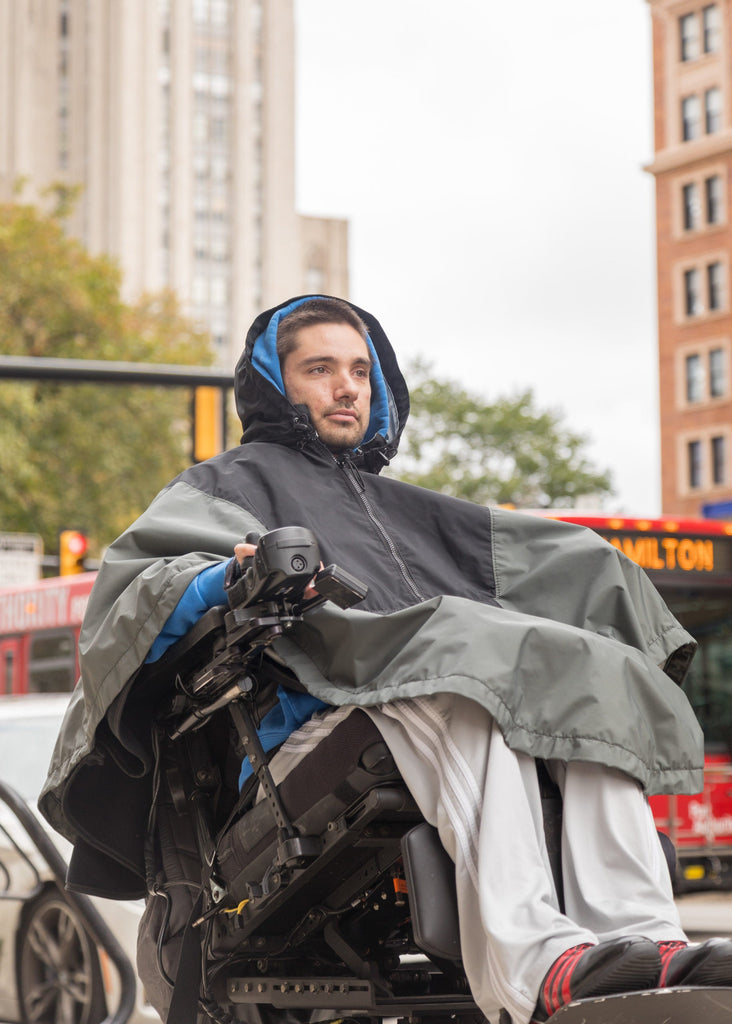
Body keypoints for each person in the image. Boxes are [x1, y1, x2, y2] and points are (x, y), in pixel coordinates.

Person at [40, 295, 732, 1024]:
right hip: (297, 732)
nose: (347, 388)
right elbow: (140, 589)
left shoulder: (397, 505)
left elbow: (538, 563)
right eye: (320, 369)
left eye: (361, 371)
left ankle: (641, 938)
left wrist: (607, 586)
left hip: (410, 690)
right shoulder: (224, 488)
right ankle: (541, 965)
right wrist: (230, 576)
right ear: (277, 384)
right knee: (463, 683)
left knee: (590, 679)